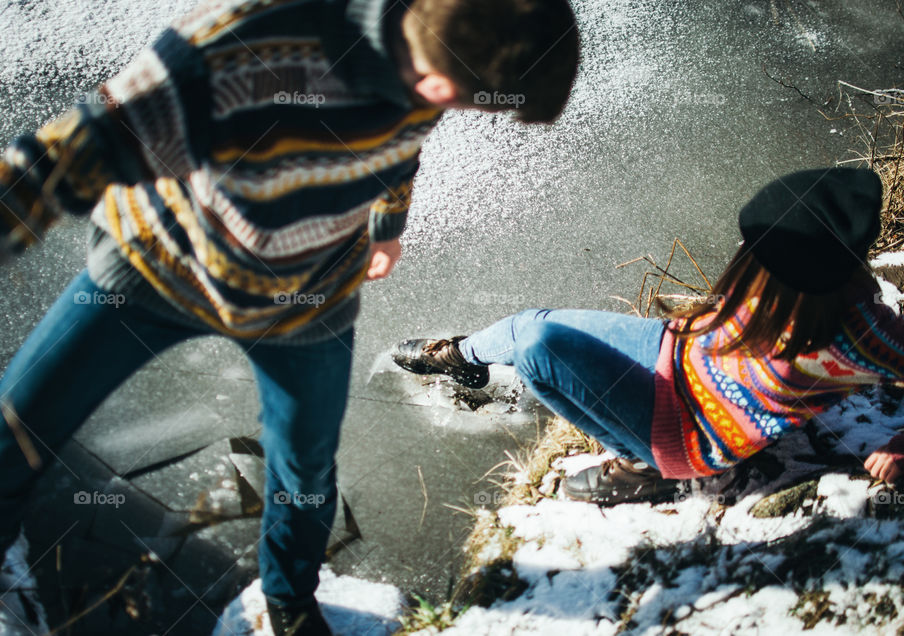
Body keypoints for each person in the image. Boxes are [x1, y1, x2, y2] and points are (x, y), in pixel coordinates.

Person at [0, 0, 580, 634]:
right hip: (157, 271)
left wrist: (388, 228)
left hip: (308, 298)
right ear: (439, 80)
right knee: (20, 427)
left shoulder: (429, 68)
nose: (461, 115)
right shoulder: (236, 43)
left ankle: (290, 601)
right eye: (478, 105)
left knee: (304, 468)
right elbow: (67, 151)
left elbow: (402, 146)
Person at [393, 168, 904, 505]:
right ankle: (463, 357)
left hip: (693, 433)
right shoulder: (779, 269)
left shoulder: (864, 332)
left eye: (761, 246)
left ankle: (640, 470)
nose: (748, 252)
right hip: (677, 350)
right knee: (529, 325)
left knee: (540, 351)